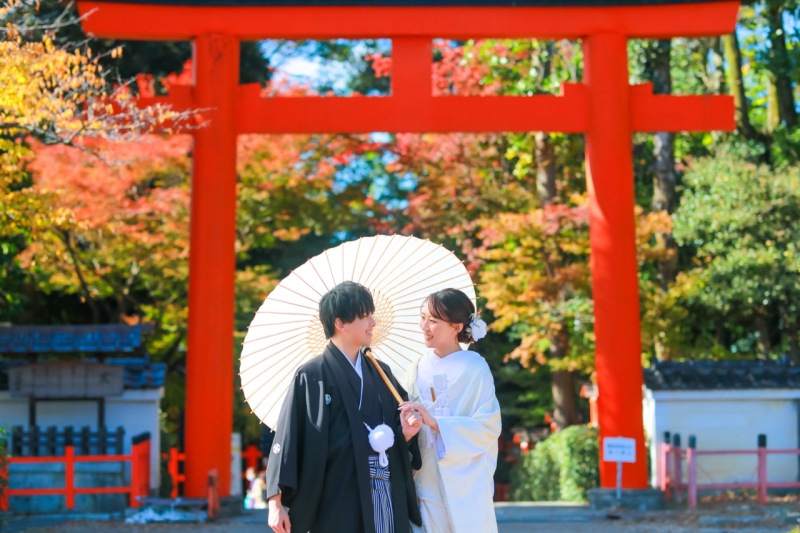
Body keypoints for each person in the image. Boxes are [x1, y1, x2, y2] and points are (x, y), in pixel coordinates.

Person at [266, 281, 423, 533]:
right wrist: (276, 503)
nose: (373, 322)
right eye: (365, 316)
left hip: (384, 489)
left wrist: (405, 432)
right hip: (336, 495)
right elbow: (288, 438)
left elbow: (398, 430)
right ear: (340, 324)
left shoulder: (381, 372)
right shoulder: (312, 375)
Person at [400, 288, 502, 533]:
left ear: (456, 327)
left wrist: (436, 423)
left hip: (464, 483)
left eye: (433, 321)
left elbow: (488, 427)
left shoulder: (475, 368)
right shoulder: (415, 368)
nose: (424, 326)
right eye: (422, 317)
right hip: (423, 479)